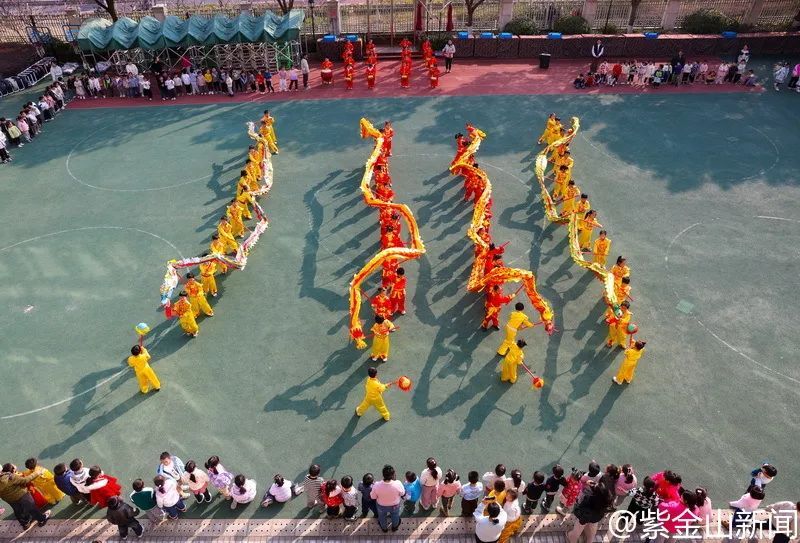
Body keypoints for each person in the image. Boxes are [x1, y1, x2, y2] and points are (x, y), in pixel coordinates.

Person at [0, 463, 51, 530]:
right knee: (31, 507)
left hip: (9, 499)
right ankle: (41, 519)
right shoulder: (10, 477)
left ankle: (25, 524)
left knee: (18, 511)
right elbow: (25, 480)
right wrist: (37, 473)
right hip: (21, 495)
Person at [371, 465, 405, 532]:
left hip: (381, 506)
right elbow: (402, 493)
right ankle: (394, 527)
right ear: (393, 475)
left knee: (382, 517)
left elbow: (373, 497)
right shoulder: (398, 483)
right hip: (395, 505)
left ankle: (384, 528)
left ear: (383, 475)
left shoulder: (376, 485)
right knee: (395, 516)